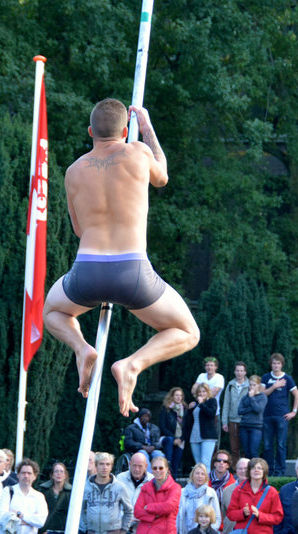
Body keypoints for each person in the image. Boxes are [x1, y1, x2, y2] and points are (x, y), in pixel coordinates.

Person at [42, 99, 201, 417]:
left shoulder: (73, 171)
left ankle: (81, 347)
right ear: (125, 131)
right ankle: (132, 364)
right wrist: (148, 129)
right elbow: (163, 177)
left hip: (87, 270)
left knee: (53, 312)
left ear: (90, 132)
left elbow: (77, 229)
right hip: (132, 271)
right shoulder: (138, 152)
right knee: (187, 332)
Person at [262, 353, 298, 476]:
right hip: (267, 416)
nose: (276, 365)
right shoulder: (266, 377)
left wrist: (293, 412)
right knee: (267, 445)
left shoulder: (287, 378)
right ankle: (269, 471)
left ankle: (280, 471)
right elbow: (263, 394)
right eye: (274, 363)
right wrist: (274, 386)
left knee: (280, 444)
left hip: (282, 416)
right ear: (271, 364)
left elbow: (297, 395)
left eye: (278, 363)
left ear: (282, 364)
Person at [226, 458, 284, 534]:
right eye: (253, 468)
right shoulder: (238, 490)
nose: (256, 470)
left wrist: (260, 515)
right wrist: (242, 513)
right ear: (249, 472)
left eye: (259, 468)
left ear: (264, 471)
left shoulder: (271, 492)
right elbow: (230, 513)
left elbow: (278, 517)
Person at [80, 452, 132, 534]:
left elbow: (128, 511)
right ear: (96, 466)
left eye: (108, 464)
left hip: (114, 531)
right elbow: (80, 509)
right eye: (101, 464)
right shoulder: (86, 487)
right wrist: (87, 526)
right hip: (92, 531)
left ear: (111, 467)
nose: (105, 467)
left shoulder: (120, 487)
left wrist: (123, 530)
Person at [134, 456, 181, 534]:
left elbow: (168, 507)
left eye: (161, 468)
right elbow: (137, 512)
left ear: (167, 469)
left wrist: (148, 507)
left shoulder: (175, 488)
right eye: (155, 468)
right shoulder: (145, 487)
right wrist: (155, 516)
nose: (158, 470)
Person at [177, 463, 221, 534]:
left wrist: (209, 531)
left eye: (202, 474)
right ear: (192, 475)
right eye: (197, 473)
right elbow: (178, 515)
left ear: (206, 477)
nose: (199, 476)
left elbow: (217, 516)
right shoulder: (182, 492)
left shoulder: (211, 493)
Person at [115, 452, 152, 533]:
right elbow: (113, 505)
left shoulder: (153, 481)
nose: (137, 469)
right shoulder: (119, 479)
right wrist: (127, 517)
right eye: (134, 466)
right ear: (129, 464)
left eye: (140, 466)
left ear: (146, 466)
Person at [8, 459, 48, 534]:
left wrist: (20, 515)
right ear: (18, 475)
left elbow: (40, 522)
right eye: (23, 473)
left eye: (29, 473)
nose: (26, 476)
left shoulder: (39, 497)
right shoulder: (8, 491)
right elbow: (2, 517)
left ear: (35, 476)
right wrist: (30, 521)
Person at [186, 384, 220, 467]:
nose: (201, 394)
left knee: (205, 462)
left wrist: (202, 404)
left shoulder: (212, 401)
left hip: (207, 436)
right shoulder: (195, 404)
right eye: (200, 392)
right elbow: (189, 420)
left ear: (208, 392)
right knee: (198, 463)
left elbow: (211, 414)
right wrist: (190, 410)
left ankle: (206, 480)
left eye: (204, 391)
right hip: (195, 435)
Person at [222, 362, 249, 463]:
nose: (239, 373)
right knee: (234, 447)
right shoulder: (230, 385)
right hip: (233, 420)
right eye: (237, 370)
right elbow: (226, 404)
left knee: (245, 446)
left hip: (246, 420)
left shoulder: (249, 385)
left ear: (245, 372)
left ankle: (245, 468)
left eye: (241, 371)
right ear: (234, 372)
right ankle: (236, 468)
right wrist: (224, 421)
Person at [237, 376, 267, 460]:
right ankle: (247, 471)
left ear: (258, 385)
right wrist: (251, 408)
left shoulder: (262, 397)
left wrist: (252, 398)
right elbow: (239, 411)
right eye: (250, 385)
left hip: (256, 427)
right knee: (246, 451)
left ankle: (256, 469)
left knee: (254, 451)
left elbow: (258, 409)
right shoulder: (244, 397)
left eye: (254, 385)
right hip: (244, 426)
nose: (251, 387)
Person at [159, 387, 186, 477]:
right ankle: (167, 465)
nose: (178, 397)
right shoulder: (166, 409)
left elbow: (187, 427)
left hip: (180, 440)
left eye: (180, 395)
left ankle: (173, 482)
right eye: (176, 395)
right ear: (172, 397)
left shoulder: (185, 410)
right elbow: (162, 426)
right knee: (170, 440)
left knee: (176, 464)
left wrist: (180, 439)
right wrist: (174, 438)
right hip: (167, 438)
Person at [39, 463, 70, 534]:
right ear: (52, 475)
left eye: (61, 471)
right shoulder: (43, 491)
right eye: (56, 471)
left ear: (65, 475)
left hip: (64, 530)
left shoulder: (71, 492)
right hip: (46, 530)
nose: (59, 473)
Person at [222, 458, 249, 534]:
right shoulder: (226, 490)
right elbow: (224, 513)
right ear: (236, 471)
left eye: (246, 468)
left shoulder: (257, 490)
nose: (243, 471)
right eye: (240, 468)